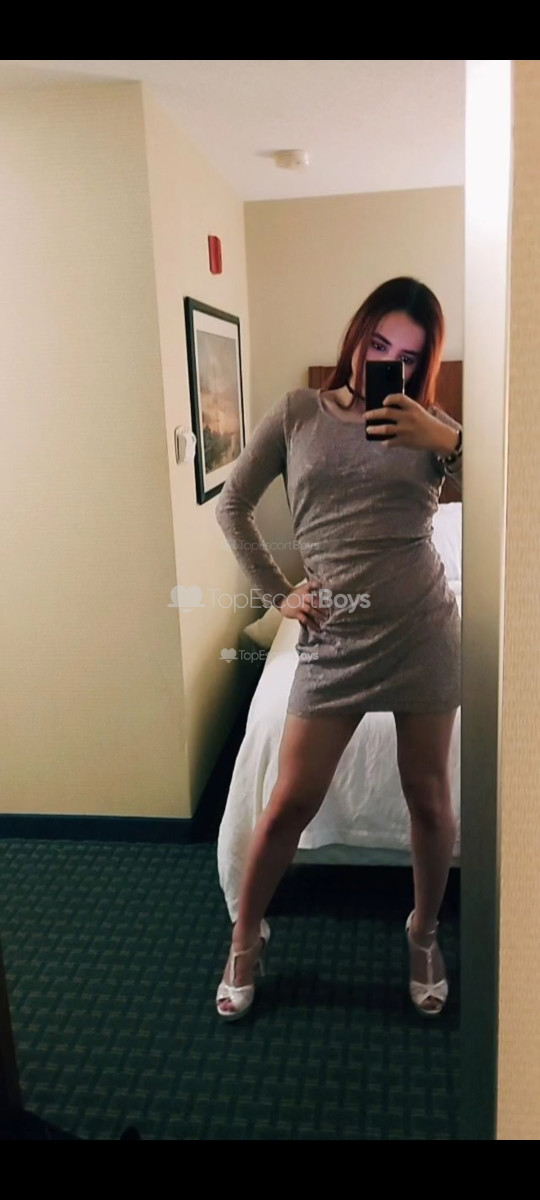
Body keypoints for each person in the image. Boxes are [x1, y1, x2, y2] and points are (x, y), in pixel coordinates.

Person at [214, 276, 462, 1021]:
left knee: (429, 797)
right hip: (334, 639)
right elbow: (233, 505)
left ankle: (423, 934)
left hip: (422, 632)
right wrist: (278, 594)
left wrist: (450, 442)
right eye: (378, 344)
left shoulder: (435, 429)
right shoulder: (298, 413)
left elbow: (518, 494)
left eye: (407, 358)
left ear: (423, 367)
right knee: (289, 801)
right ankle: (246, 937)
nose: (386, 363)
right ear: (356, 336)